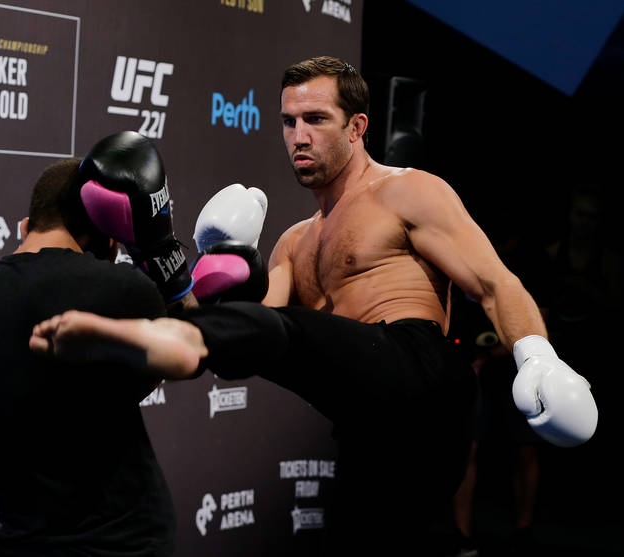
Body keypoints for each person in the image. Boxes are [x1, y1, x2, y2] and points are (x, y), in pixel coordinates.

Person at [30, 57, 598, 555]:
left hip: (420, 380)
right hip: (365, 428)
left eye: (316, 119)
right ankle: (158, 303)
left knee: (281, 329)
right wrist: (174, 268)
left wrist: (537, 357)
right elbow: (245, 343)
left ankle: (138, 330)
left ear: (357, 127)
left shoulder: (406, 191)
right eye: (288, 121)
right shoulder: (293, 244)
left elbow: (495, 283)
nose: (298, 136)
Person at [0, 158, 178, 557]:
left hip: (21, 546)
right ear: (108, 239)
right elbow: (175, 359)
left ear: (24, 227)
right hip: (122, 548)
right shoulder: (122, 289)